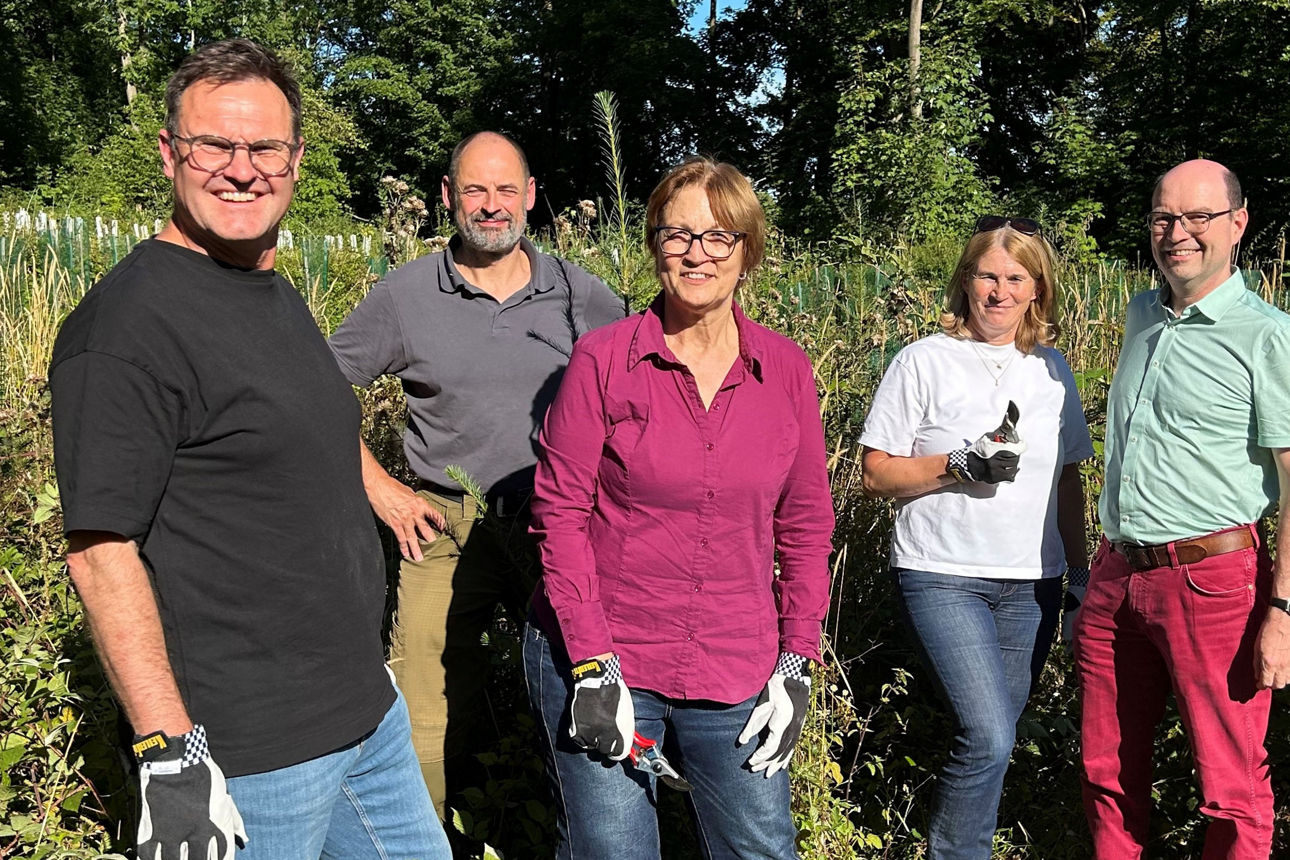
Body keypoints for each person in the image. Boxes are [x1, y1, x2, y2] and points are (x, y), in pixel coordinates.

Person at [47, 39, 449, 860]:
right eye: (214, 146)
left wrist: (384, 491)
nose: (242, 169)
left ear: (296, 158)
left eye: (265, 146)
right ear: (170, 154)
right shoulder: (126, 330)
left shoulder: (266, 283)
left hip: (364, 712)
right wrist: (170, 755)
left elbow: (305, 420)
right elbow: (99, 550)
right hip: (250, 754)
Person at [522, 156, 834, 859]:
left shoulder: (784, 369)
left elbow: (807, 521)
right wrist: (591, 663)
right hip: (608, 652)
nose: (697, 254)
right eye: (677, 234)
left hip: (735, 662)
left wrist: (798, 659)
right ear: (655, 245)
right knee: (614, 851)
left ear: (747, 252)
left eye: (719, 236)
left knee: (759, 848)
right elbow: (560, 514)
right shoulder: (603, 361)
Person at [328, 130, 625, 816]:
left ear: (529, 197)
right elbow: (318, 388)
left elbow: (636, 396)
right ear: (447, 199)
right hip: (442, 524)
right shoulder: (405, 296)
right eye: (474, 190)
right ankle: (423, 838)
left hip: (558, 527)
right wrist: (380, 486)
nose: (490, 207)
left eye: (504, 190)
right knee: (422, 713)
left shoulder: (582, 297)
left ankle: (568, 832)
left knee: (582, 689)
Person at [1073, 159, 1290, 859]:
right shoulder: (1142, 313)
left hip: (1214, 581)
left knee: (1231, 789)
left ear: (1237, 223)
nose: (1177, 234)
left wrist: (1283, 613)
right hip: (1116, 576)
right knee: (1107, 775)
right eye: (1164, 218)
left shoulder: (1268, 336)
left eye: (1197, 218)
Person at [859, 217, 1092, 860]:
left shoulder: (1052, 371)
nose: (1000, 291)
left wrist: (1080, 577)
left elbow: (1067, 480)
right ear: (966, 282)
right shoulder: (925, 360)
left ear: (1037, 289)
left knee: (993, 739)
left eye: (1016, 278)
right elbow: (874, 471)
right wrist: (954, 465)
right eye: (987, 275)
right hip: (942, 574)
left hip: (1033, 584)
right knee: (988, 735)